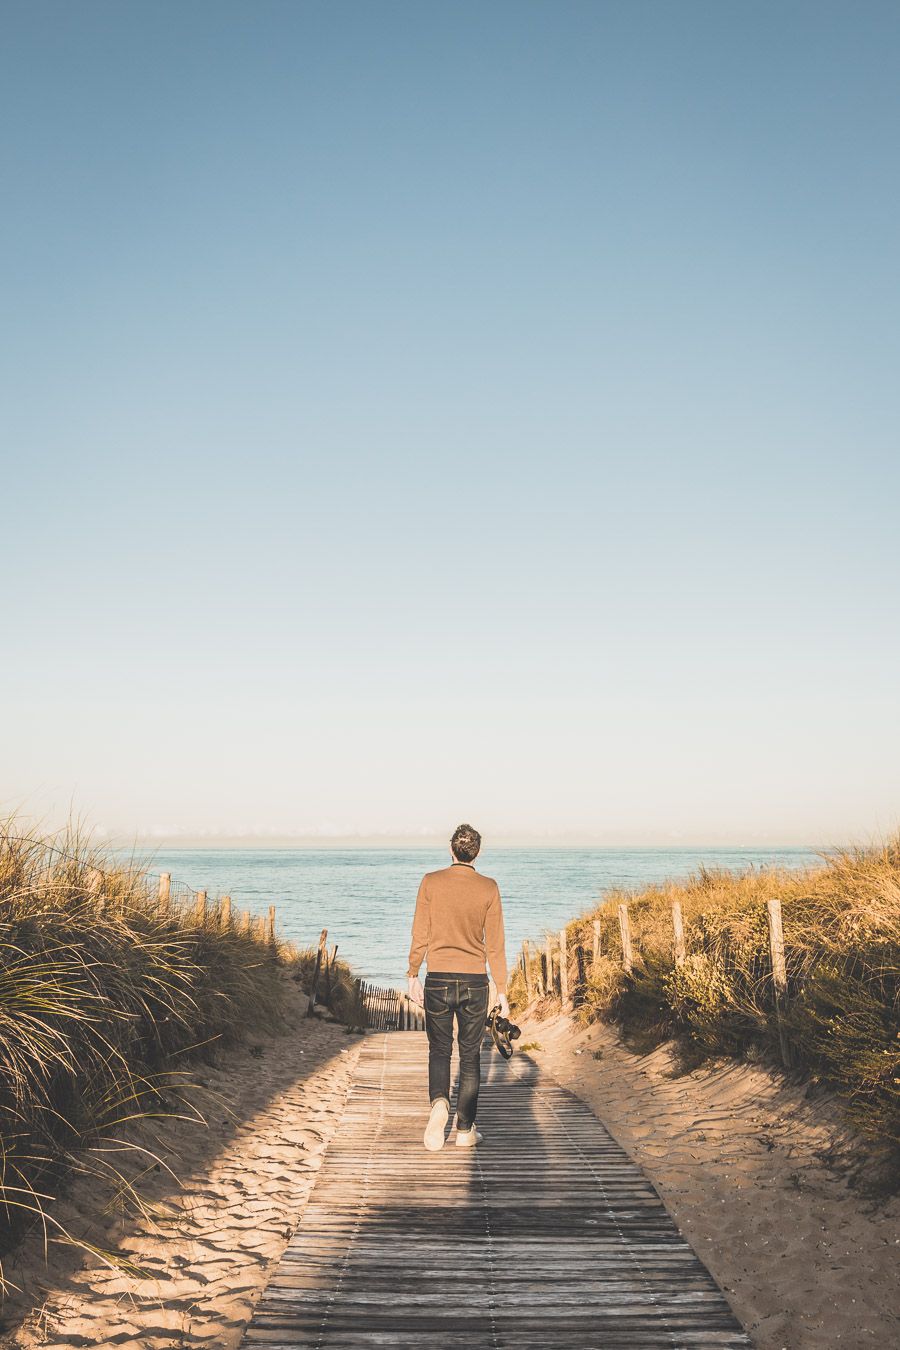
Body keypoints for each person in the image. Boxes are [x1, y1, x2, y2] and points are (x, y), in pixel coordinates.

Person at [407, 823, 509, 1151]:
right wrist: (502, 990)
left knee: (439, 1050)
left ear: (451, 850)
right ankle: (465, 1130)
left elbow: (420, 933)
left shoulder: (430, 882)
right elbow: (495, 946)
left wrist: (412, 973)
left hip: (437, 978)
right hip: (475, 982)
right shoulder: (489, 888)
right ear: (476, 853)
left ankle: (439, 1104)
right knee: (470, 1055)